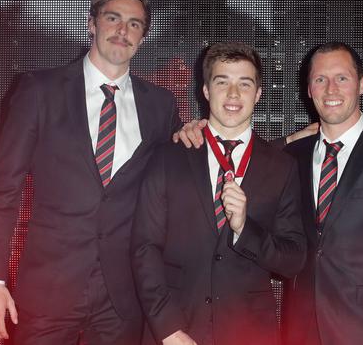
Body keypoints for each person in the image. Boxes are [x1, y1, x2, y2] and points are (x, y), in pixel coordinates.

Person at [175, 41, 363, 345]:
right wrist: (200, 135)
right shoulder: (292, 157)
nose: (330, 89)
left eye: (342, 78)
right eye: (320, 79)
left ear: (362, 84)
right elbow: (249, 158)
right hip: (300, 330)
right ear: (309, 89)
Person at [0, 0, 181, 344]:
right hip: (47, 290)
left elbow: (179, 177)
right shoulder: (40, 90)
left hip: (123, 297)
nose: (122, 30)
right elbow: (3, 188)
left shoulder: (161, 106)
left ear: (143, 38)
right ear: (91, 24)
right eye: (113, 18)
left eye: (134, 25)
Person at [131, 42, 306, 345]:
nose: (234, 94)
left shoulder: (283, 167)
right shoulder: (167, 157)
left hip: (250, 333)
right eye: (222, 82)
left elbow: (293, 260)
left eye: (245, 84)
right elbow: (144, 248)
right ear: (206, 91)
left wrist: (244, 230)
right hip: (176, 332)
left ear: (259, 93)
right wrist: (167, 328)